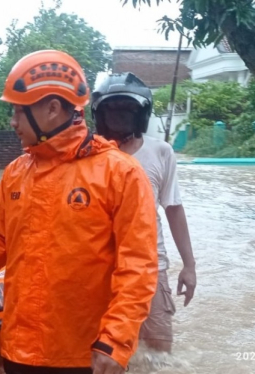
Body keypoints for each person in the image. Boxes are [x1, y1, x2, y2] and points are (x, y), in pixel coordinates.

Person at [0, 50, 158, 374]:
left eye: (18, 110)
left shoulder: (121, 174)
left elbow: (138, 268)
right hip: (18, 351)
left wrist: (115, 341)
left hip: (82, 355)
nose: (13, 122)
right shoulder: (16, 173)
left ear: (52, 109)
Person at [92, 72, 197, 353]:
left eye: (127, 109)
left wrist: (189, 266)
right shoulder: (87, 155)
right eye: (111, 109)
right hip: (99, 271)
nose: (118, 116)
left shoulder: (161, 152)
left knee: (159, 354)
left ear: (141, 114)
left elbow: (173, 209)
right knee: (101, 352)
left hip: (151, 267)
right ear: (99, 115)